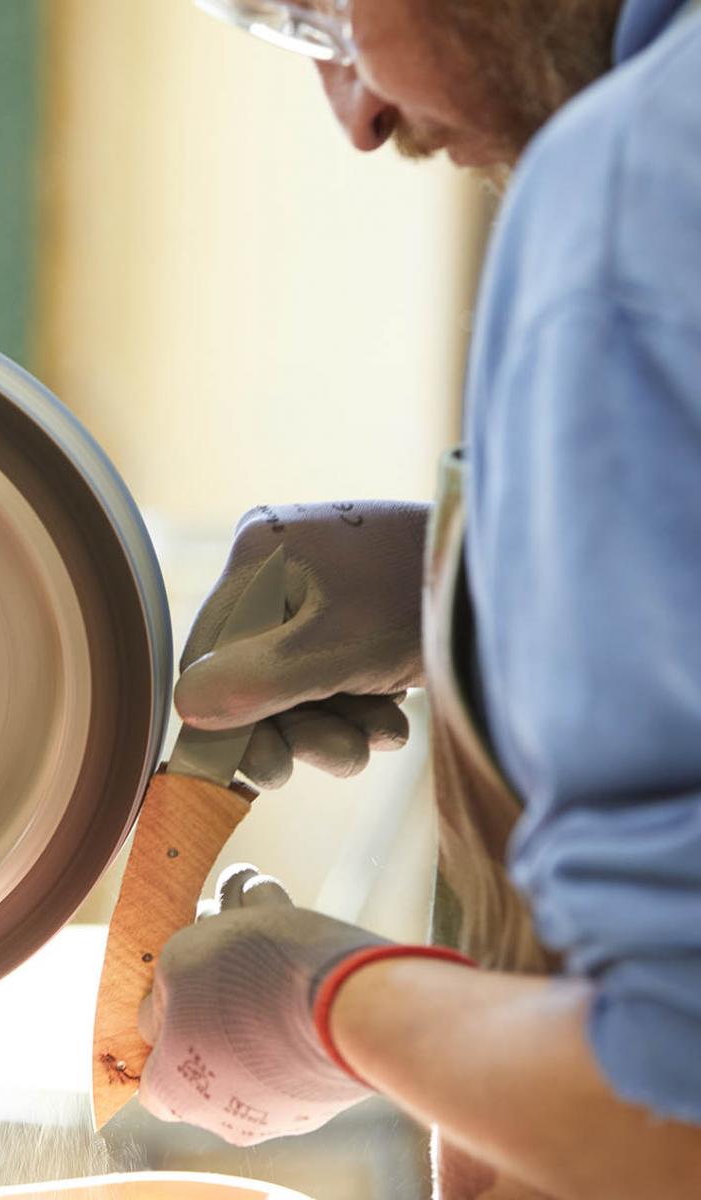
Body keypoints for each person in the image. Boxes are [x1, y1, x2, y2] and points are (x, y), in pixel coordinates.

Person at [137, 1, 701, 1197]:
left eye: (315, 12)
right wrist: (486, 581)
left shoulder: (622, 199)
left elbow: (669, 1121)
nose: (356, 113)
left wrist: (333, 1008)